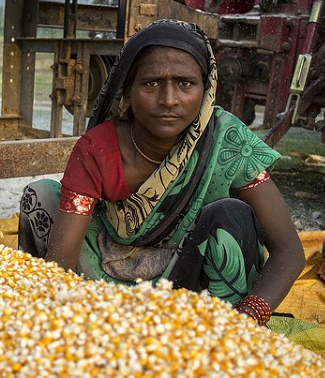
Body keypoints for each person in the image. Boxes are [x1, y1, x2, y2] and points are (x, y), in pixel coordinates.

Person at [18, 19, 305, 326]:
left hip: (193, 289)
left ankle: (221, 335)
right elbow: (60, 263)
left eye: (185, 83)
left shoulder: (227, 141)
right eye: (151, 83)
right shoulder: (98, 149)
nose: (169, 100)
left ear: (206, 90)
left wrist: (250, 314)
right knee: (42, 195)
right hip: (104, 288)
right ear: (127, 90)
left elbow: (289, 249)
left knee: (232, 214)